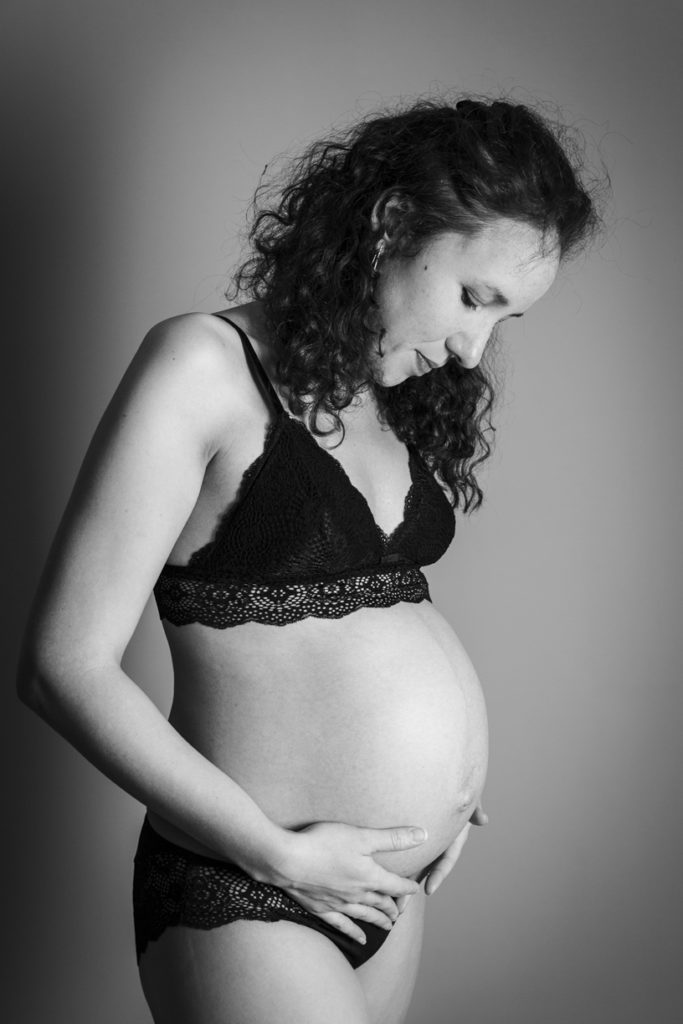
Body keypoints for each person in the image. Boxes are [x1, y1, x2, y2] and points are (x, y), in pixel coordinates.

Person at [18, 98, 599, 1024]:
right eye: (473, 298)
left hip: (377, 891)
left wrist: (441, 800)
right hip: (252, 883)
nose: (472, 348)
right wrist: (274, 854)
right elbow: (61, 670)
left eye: (506, 320)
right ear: (390, 225)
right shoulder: (201, 365)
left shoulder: (390, 395)